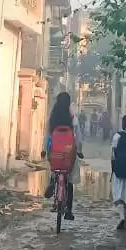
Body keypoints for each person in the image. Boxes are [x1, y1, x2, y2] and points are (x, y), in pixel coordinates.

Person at [44, 91, 83, 220]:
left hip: (54, 151)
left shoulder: (53, 118)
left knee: (55, 165)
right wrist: (79, 150)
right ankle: (69, 211)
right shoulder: (73, 119)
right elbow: (78, 138)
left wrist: (45, 149)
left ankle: (52, 181)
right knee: (70, 180)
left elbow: (48, 136)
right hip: (69, 153)